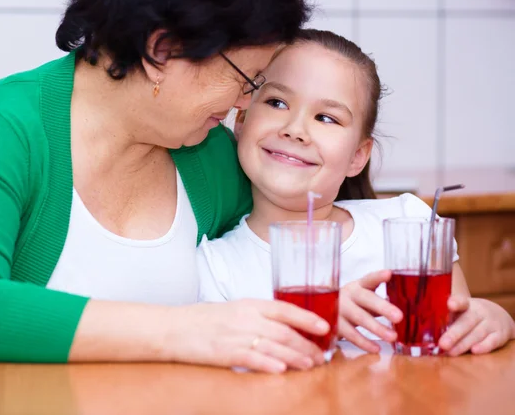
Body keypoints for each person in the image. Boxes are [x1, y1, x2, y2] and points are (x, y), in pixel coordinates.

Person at [0, 0, 332, 373]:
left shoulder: (211, 155)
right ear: (162, 51)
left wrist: (321, 308)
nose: (244, 102)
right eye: (245, 78)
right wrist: (182, 332)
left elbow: (259, 257)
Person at [198, 29, 515, 357]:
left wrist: (495, 319)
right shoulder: (215, 268)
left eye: (326, 117)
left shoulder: (410, 224)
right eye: (277, 102)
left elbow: (457, 343)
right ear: (242, 120)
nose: (295, 129)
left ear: (357, 157)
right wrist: (321, 323)